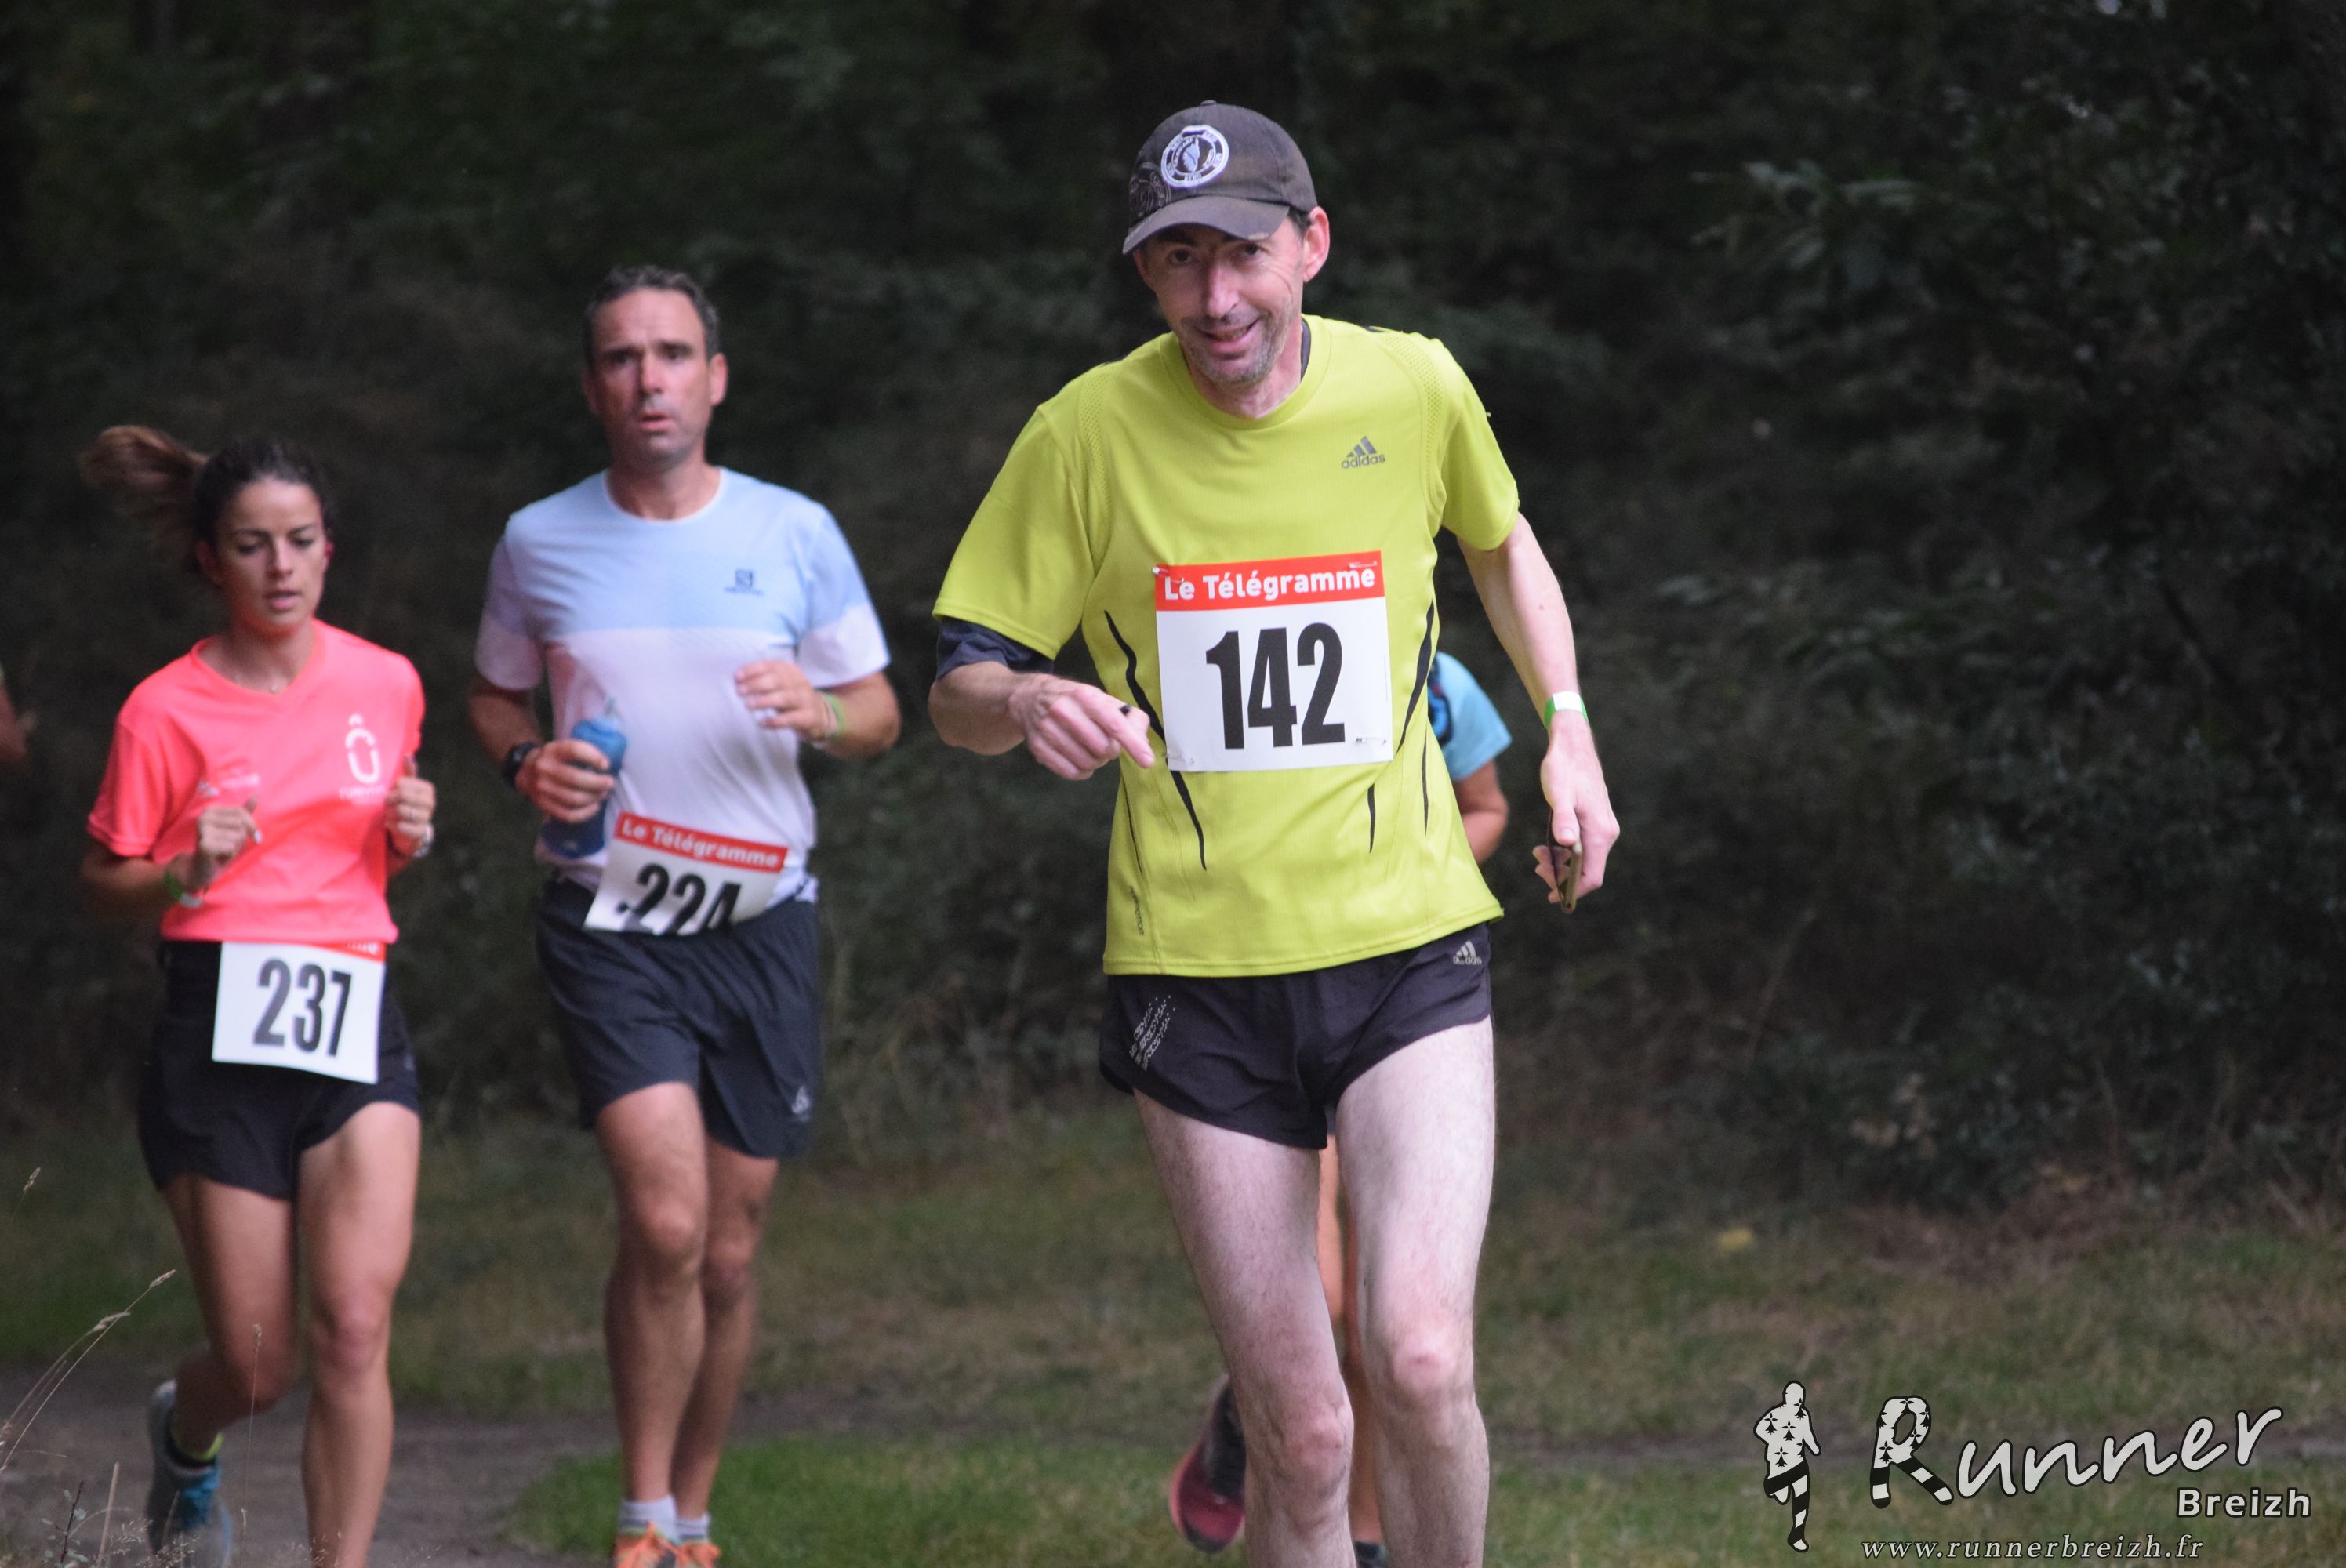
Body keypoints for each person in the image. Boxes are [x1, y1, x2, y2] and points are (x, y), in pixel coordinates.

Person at [930, 102, 1619, 1568]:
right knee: (1302, 1436)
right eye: (1178, 262)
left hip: (1405, 945)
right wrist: (1024, 699)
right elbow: (958, 683)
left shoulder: (1412, 386)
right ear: (1146, 275)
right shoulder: (1084, 433)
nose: (1215, 298)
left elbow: (1503, 544)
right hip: (1198, 975)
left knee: (1419, 1358)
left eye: (1241, 253)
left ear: (1311, 244)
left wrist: (1567, 725)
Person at [467, 265, 900, 1568]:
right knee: (663, 1223)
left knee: (726, 1252)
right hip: (610, 925)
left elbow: (881, 714)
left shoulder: (794, 531)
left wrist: (822, 711)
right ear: (590, 387)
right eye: (620, 358)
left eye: (670, 354)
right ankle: (641, 1515)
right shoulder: (538, 539)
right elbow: (491, 697)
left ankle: (694, 1516)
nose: (646, 378)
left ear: (715, 379)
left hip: (761, 925)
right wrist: (523, 761)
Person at [78, 426, 436, 1568]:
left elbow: (371, 848)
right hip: (217, 1030)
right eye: (251, 545)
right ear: (209, 559)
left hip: (353, 1014)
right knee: (257, 1365)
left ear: (329, 547)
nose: (281, 566)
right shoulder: (163, 710)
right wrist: (182, 870)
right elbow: (104, 881)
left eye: (300, 540)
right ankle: (187, 1438)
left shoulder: (386, 682)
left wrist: (411, 834)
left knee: (356, 1326)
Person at [1168, 650, 1513, 1566]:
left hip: (1399, 1000)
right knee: (1318, 1298)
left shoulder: (1442, 682)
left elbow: (1486, 807)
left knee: (1388, 1330)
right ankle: (1243, 1417)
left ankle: (1363, 1538)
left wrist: (1407, 871)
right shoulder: (1250, 651)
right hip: (1259, 999)